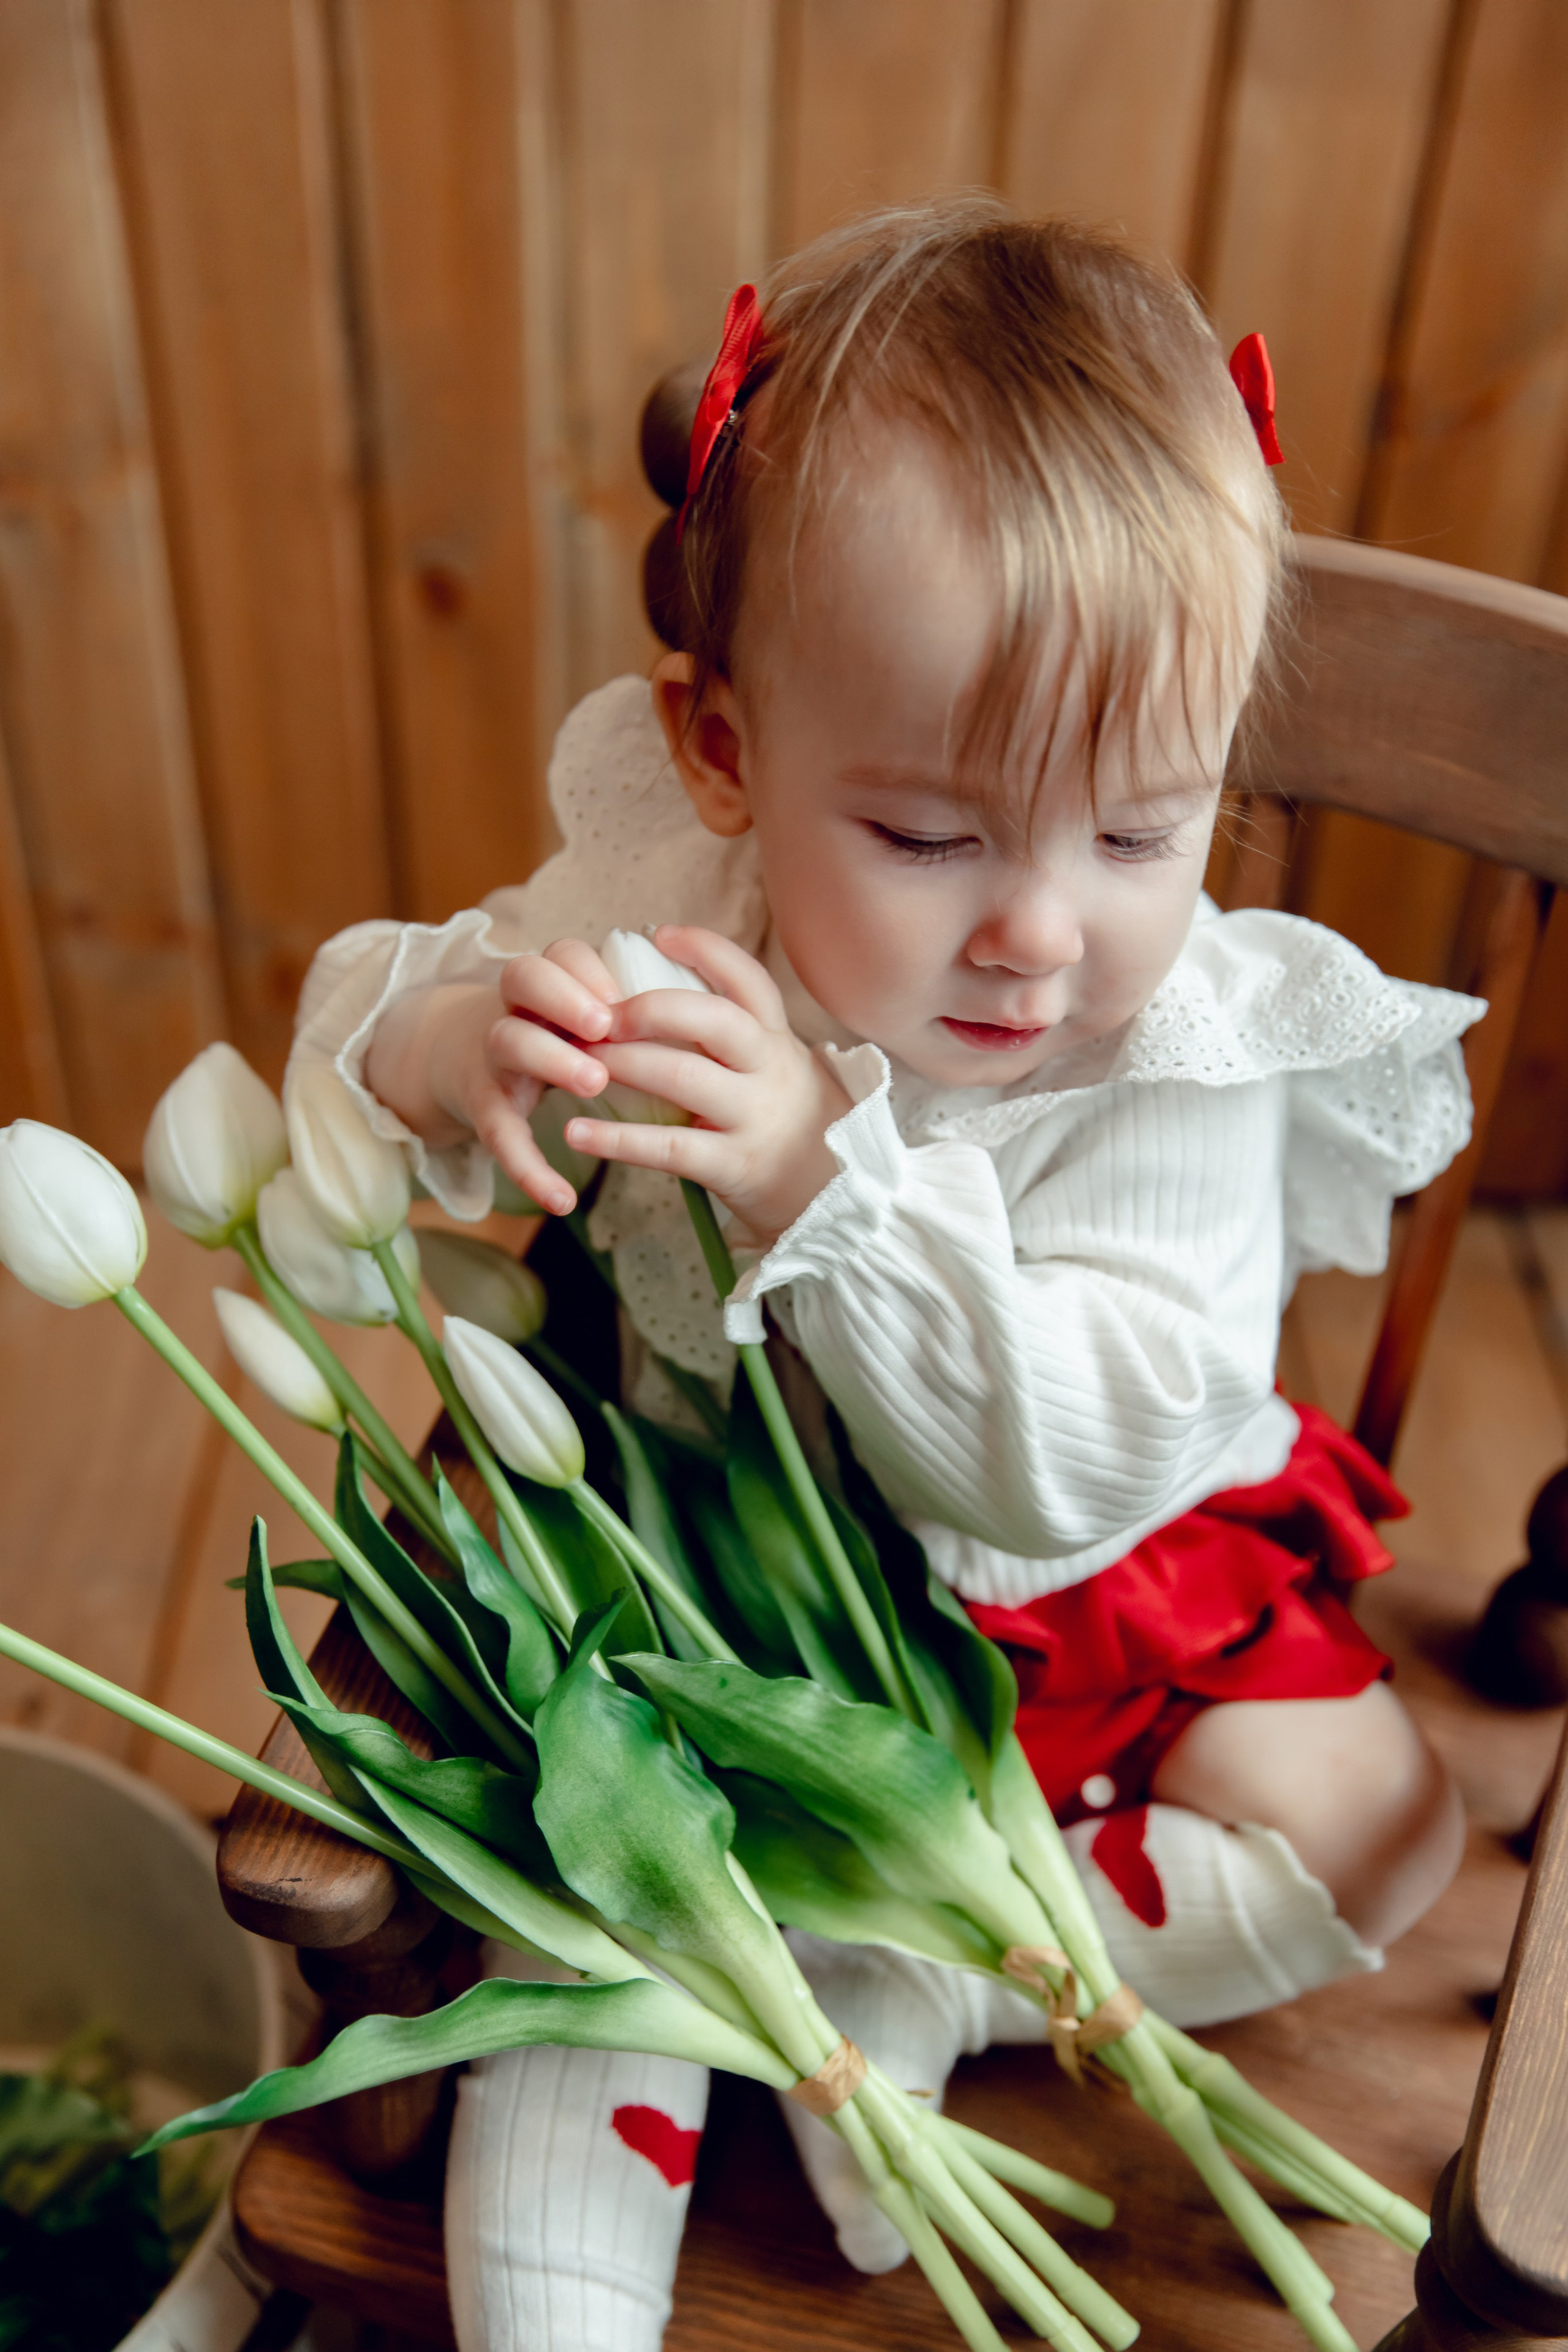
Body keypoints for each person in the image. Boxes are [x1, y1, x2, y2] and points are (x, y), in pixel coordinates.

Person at [290, 199, 1474, 2350]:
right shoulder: (679, 896)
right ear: (728, 749)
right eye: (931, 836)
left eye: (1143, 829)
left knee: (1379, 1831)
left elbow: (1062, 1464)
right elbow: (384, 1030)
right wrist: (454, 1048)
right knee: (592, 1941)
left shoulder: (1179, 1059)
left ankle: (910, 1965)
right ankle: (592, 2226)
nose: (1040, 932)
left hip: (1057, 1578)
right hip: (702, 1593)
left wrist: (820, 1186)